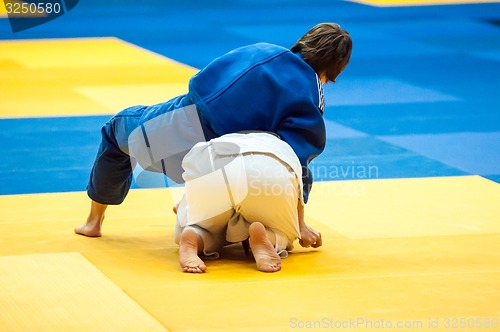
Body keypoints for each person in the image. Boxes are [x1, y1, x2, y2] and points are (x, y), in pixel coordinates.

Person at [74, 23, 352, 237]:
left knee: (114, 133)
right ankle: (198, 206)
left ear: (303, 42)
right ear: (337, 68)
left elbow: (202, 83)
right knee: (262, 195)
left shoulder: (262, 50)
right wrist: (300, 224)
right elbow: (295, 162)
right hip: (228, 170)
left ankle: (93, 222)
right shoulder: (312, 94)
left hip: (176, 131)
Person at [174, 132, 322, 273]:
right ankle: (269, 238)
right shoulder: (283, 146)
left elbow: (189, 190)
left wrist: (185, 210)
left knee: (201, 226)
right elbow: (297, 188)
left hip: (211, 163)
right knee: (284, 233)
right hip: (266, 169)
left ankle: (194, 236)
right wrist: (300, 226)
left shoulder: (217, 133)